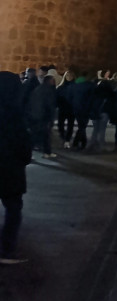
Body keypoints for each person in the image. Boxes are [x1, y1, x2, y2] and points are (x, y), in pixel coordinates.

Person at [0, 71, 33, 265]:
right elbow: (23, 146)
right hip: (10, 170)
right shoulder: (15, 115)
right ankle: (6, 250)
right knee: (13, 208)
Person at [26, 72, 57, 158]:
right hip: (43, 117)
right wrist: (51, 118)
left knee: (37, 135)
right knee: (45, 135)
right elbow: (50, 105)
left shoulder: (37, 89)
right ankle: (47, 152)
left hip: (35, 116)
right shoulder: (49, 90)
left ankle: (42, 152)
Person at [88, 73, 116, 152]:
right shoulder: (110, 94)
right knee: (102, 130)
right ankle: (101, 146)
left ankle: (91, 144)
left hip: (95, 112)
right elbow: (112, 104)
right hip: (104, 112)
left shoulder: (95, 92)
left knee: (95, 129)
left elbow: (91, 102)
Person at [70, 72, 96, 150]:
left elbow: (72, 97)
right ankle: (77, 142)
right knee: (82, 126)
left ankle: (81, 142)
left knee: (81, 126)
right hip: (85, 109)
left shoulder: (78, 85)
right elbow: (91, 99)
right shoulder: (91, 86)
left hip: (77, 108)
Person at [56, 71, 76, 149]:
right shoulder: (61, 87)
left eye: (70, 75)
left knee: (70, 125)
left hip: (71, 108)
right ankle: (63, 137)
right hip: (62, 108)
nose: (69, 77)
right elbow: (57, 97)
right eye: (67, 75)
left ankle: (67, 140)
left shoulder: (75, 86)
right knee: (60, 125)